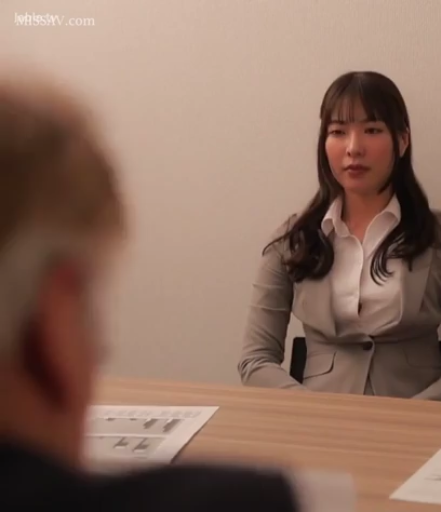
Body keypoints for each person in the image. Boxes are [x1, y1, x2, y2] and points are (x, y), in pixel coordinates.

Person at [0, 70, 350, 511]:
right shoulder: (249, 500)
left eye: (371, 130)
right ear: (55, 322)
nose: (104, 347)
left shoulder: (434, 237)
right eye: (91, 308)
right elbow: (256, 357)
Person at [238, 71, 441, 403]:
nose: (354, 148)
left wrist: (412, 417)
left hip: (417, 420)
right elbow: (255, 359)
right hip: (318, 421)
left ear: (402, 140)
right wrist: (316, 412)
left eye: (372, 130)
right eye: (338, 132)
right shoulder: (293, 240)